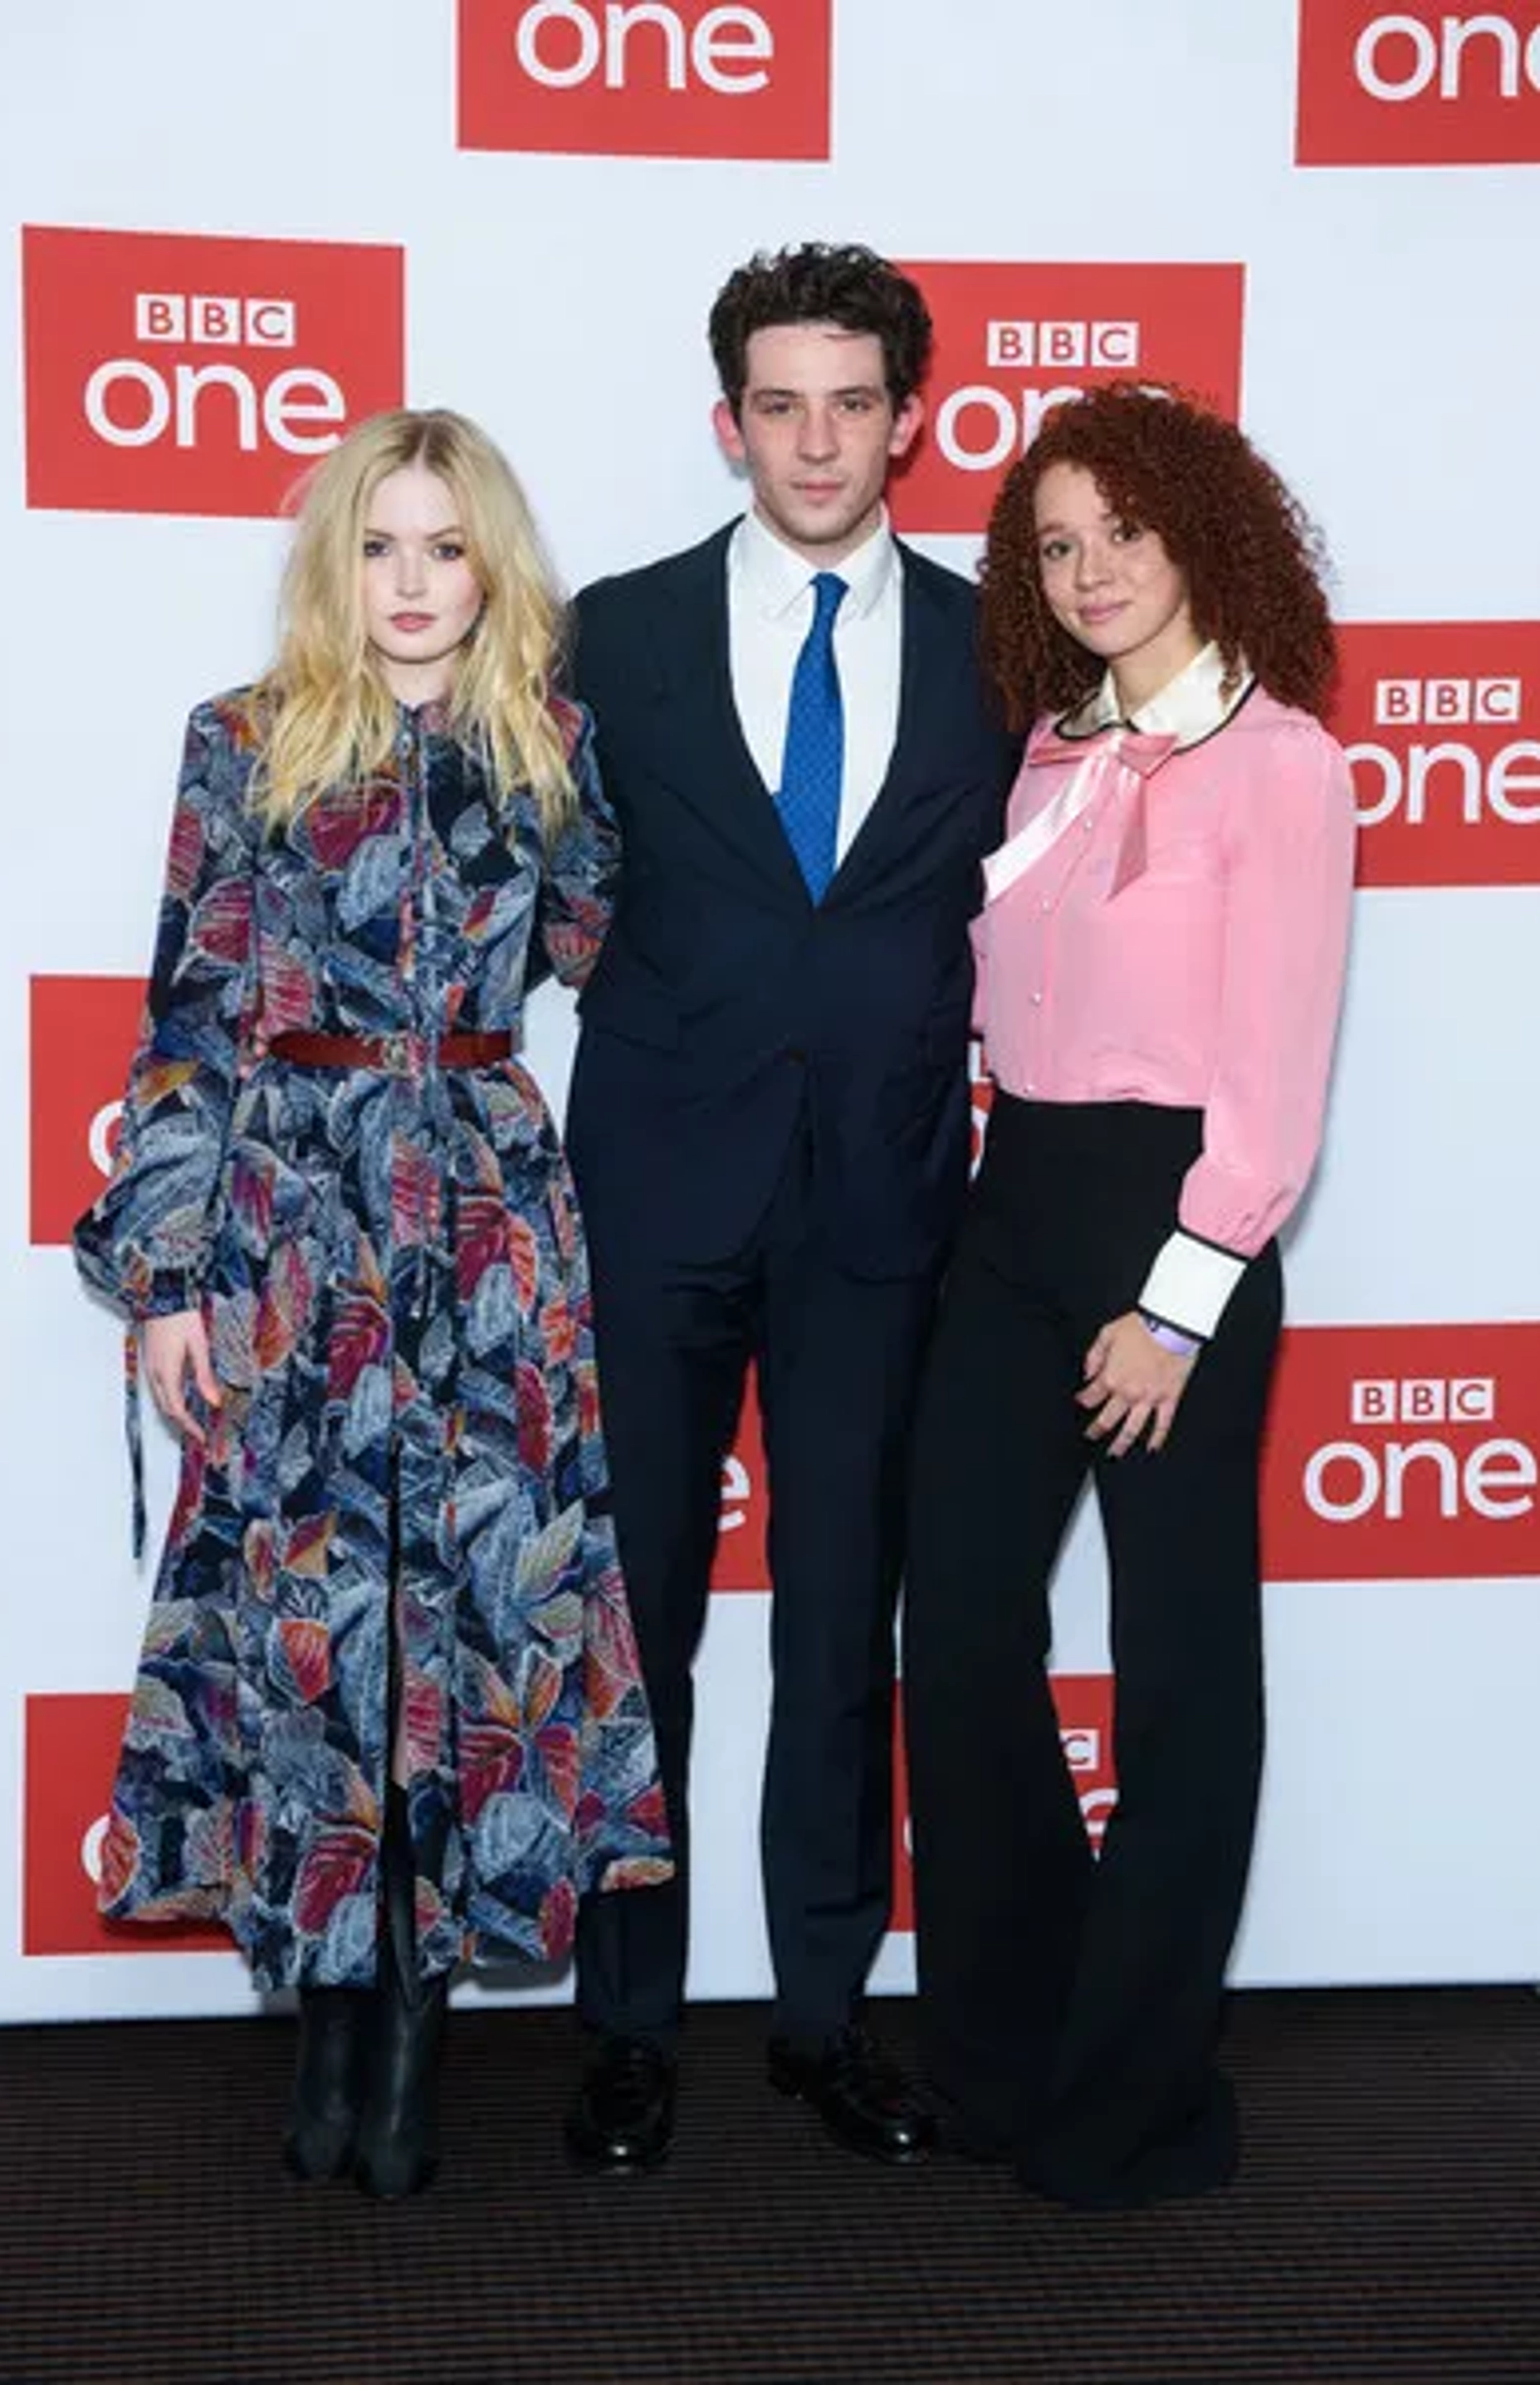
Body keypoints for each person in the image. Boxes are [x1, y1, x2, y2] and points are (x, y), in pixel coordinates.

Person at [72, 407, 671, 2201]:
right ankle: (323, 2001)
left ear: (493, 569)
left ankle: (408, 2013)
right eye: (380, 546)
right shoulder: (241, 744)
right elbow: (185, 1023)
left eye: (447, 548)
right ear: (340, 561)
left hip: (488, 1225)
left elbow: (599, 951)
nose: (412, 582)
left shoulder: (555, 749)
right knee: (312, 1624)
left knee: (463, 1627)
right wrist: (166, 1276)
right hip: (295, 1219)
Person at [561, 242, 1017, 2172]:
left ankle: (826, 2019)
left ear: (912, 418)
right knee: (636, 1615)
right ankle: (628, 2027)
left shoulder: (1010, 643)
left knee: (843, 1621)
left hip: (885, 1199)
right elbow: (543, 893)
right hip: (658, 1180)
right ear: (726, 416)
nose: (816, 438)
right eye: (780, 400)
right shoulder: (615, 630)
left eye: (854, 400)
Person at [902, 383, 1357, 2209]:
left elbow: (1273, 1075)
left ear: (1203, 532)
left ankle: (1141, 2086)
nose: (1089, 570)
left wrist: (1174, 1303)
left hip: (1186, 1222)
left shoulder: (1283, 763)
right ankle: (1016, 2048)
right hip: (1019, 1211)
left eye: (1123, 533)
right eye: (1056, 543)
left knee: (1177, 1668)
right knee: (964, 1623)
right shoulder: (1048, 753)